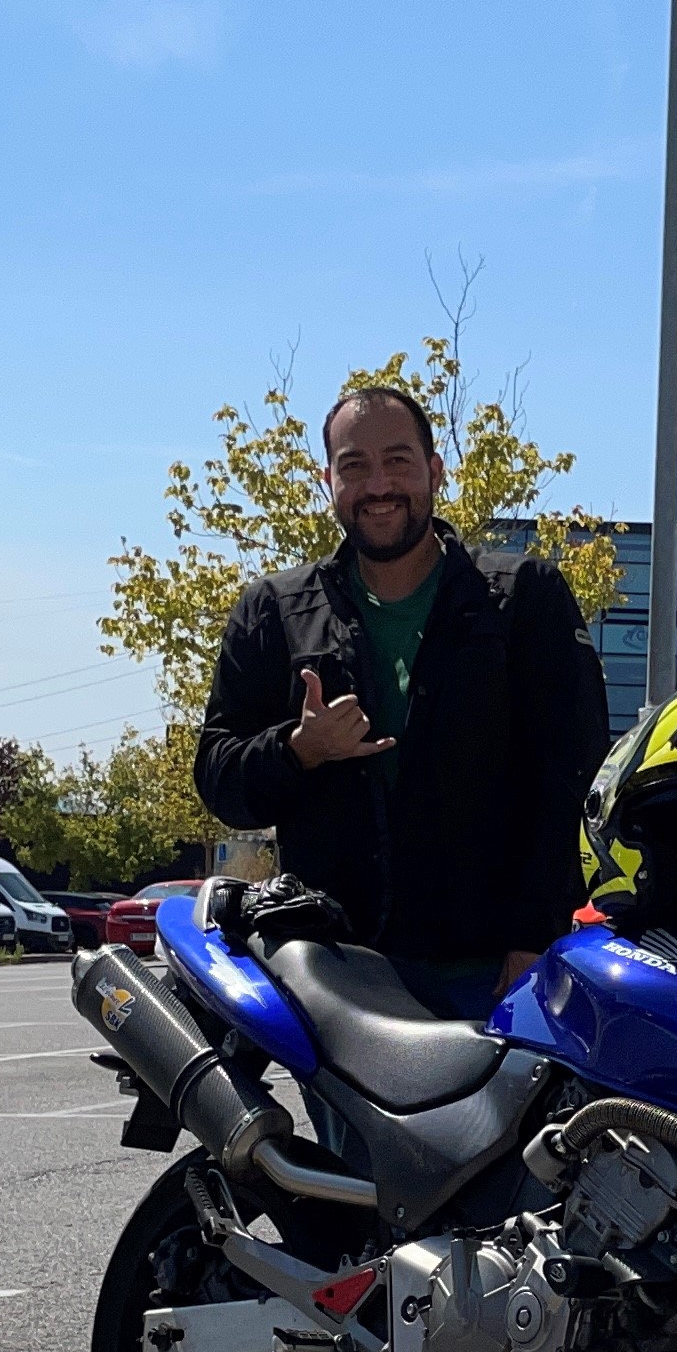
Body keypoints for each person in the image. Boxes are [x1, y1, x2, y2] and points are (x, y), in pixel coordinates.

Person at [194, 378, 613, 1018]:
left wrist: (534, 936)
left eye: (398, 461)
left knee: (506, 1126)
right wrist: (298, 750)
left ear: (435, 470)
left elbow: (573, 778)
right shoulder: (275, 611)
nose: (379, 484)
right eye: (354, 466)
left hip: (492, 973)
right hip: (334, 977)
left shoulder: (523, 597)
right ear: (327, 481)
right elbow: (219, 777)